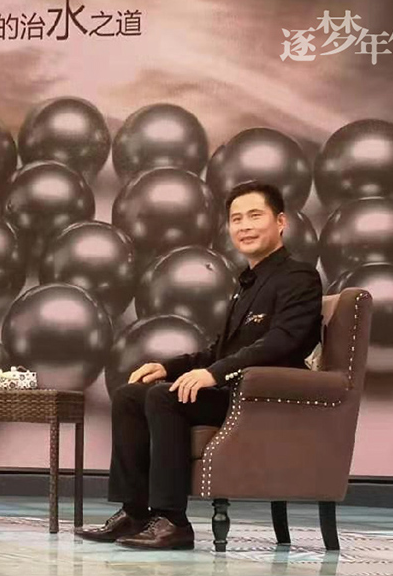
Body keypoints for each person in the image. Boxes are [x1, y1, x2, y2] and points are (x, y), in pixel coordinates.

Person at [78, 181, 322, 549]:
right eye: (236, 219)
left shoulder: (299, 277)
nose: (245, 226)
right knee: (131, 395)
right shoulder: (247, 285)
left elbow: (281, 342)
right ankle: (134, 513)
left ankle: (173, 521)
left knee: (165, 398)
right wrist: (168, 367)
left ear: (281, 221)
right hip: (235, 393)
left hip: (266, 398)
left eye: (255, 216)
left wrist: (214, 374)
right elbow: (218, 350)